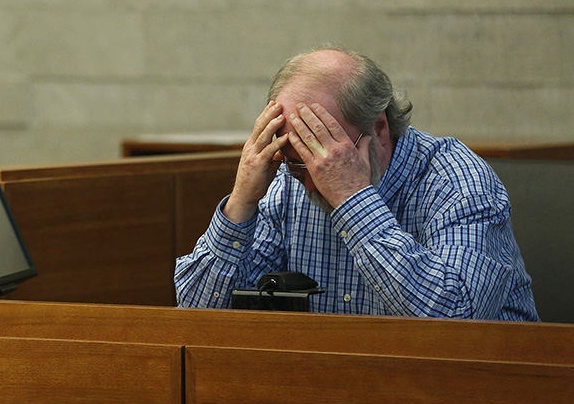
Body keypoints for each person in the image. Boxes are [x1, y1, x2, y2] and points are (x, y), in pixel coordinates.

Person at [175, 45, 538, 321]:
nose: (311, 178)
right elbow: (196, 316)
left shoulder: (456, 180)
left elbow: (453, 319)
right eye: (295, 156)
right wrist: (241, 201)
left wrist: (353, 198)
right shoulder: (289, 183)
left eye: (324, 149)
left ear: (379, 128)